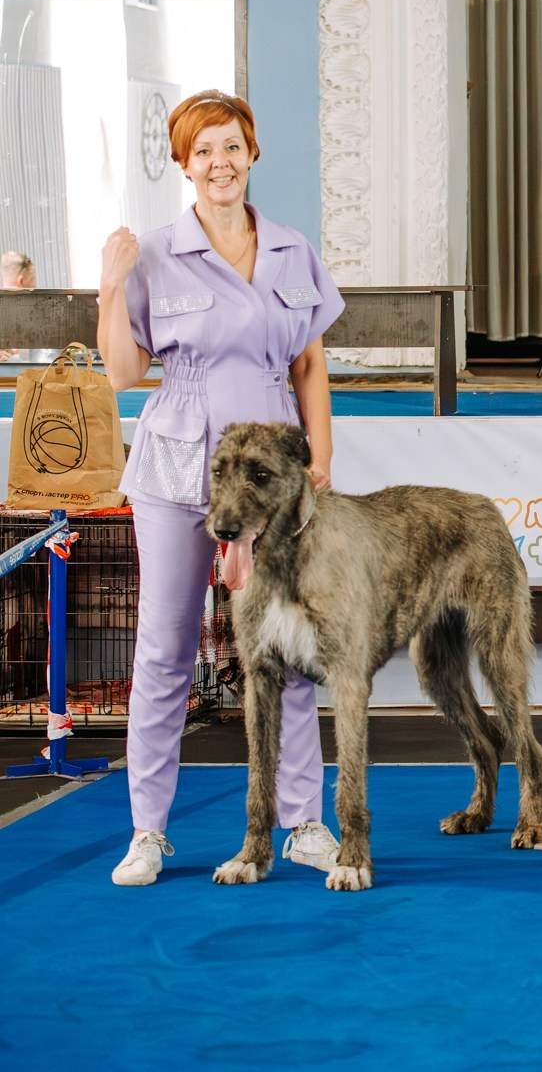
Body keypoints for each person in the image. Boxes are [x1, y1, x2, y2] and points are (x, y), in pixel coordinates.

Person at [96, 90, 345, 886]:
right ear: (183, 163)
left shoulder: (291, 249)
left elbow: (309, 362)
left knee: (291, 645)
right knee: (165, 648)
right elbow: (127, 370)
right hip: (179, 468)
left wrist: (320, 462)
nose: (219, 163)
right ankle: (146, 831)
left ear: (252, 153)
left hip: (273, 476)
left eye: (232, 146)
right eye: (203, 150)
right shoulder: (157, 252)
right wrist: (109, 288)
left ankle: (304, 821)